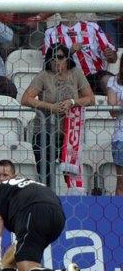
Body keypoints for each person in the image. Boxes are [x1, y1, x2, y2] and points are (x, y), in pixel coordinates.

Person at [21, 44, 95, 186]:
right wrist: (51, 107)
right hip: (45, 132)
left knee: (72, 176)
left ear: (67, 58)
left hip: (69, 134)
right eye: (52, 58)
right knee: (45, 176)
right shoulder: (43, 76)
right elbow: (25, 99)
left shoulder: (76, 73)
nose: (56, 61)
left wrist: (72, 102)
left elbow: (91, 99)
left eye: (60, 57)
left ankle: (73, 202)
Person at [43, 0, 117, 96]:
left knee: (108, 80)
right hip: (68, 79)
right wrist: (69, 52)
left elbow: (113, 59)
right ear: (57, 9)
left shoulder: (92, 28)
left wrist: (111, 55)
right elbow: (48, 64)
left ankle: (116, 111)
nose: (66, 7)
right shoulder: (50, 33)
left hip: (95, 76)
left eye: (70, 4)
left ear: (77, 6)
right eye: (61, 4)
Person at [106, 57, 123, 195]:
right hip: (121, 138)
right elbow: (113, 110)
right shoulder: (114, 81)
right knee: (121, 183)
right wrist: (117, 105)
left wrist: (120, 103)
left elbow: (117, 105)